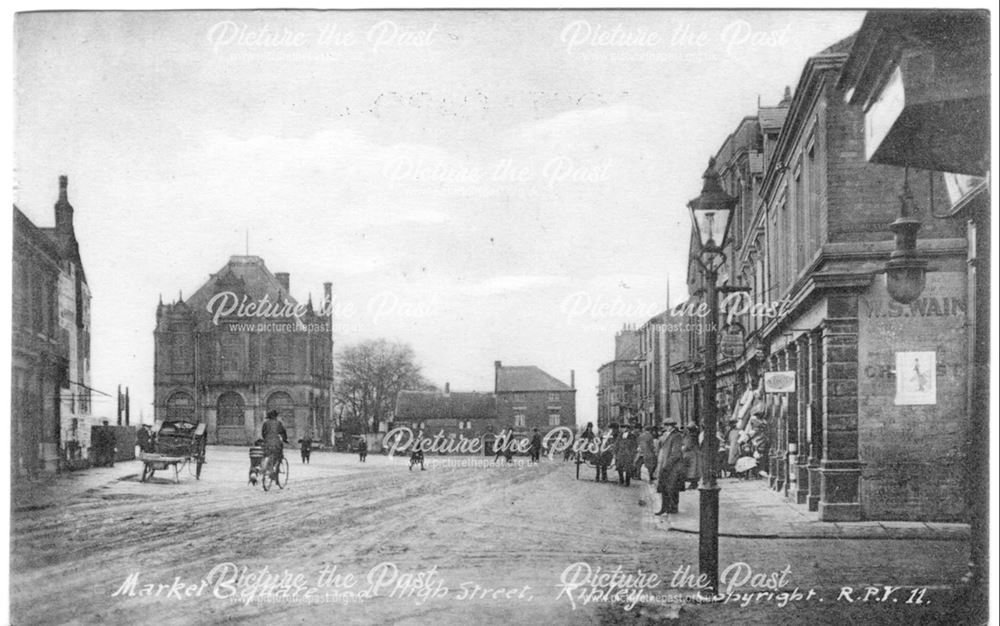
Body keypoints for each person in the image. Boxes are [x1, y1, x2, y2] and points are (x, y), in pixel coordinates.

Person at [655, 420, 685, 515]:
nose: (666, 427)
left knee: (672, 488)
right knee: (665, 487)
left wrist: (667, 465)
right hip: (665, 465)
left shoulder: (676, 436)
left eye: (668, 425)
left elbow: (675, 453)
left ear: (672, 426)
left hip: (673, 466)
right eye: (666, 425)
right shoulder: (666, 435)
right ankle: (664, 508)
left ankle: (672, 508)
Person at [260, 410, 288, 475]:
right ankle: (277, 466)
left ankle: (267, 466)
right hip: (276, 442)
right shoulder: (279, 423)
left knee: (266, 454)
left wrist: (266, 439)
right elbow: (283, 432)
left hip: (267, 442)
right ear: (276, 416)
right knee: (279, 454)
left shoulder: (265, 423)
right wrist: (285, 439)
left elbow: (263, 433)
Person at [683, 425, 702, 490]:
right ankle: (694, 483)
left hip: (691, 455)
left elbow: (687, 446)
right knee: (694, 470)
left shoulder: (690, 437)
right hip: (695, 454)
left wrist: (683, 449)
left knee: (691, 470)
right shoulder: (695, 436)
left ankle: (693, 484)